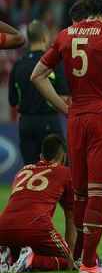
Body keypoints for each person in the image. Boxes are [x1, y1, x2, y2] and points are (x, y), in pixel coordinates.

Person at [30, 0, 102, 273]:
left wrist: (62, 107)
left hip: (76, 118)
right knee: (97, 191)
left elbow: (37, 76)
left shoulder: (65, 34)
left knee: (79, 192)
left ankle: (81, 258)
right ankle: (90, 263)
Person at [0, 135, 76, 273]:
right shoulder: (66, 173)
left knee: (21, 250)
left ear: (41, 156)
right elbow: (71, 217)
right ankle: (32, 260)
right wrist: (71, 255)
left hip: (3, 227)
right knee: (67, 262)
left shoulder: (22, 171)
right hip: (35, 225)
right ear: (64, 158)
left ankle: (8, 256)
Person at [9, 20, 70, 165]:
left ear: (29, 40)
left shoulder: (18, 64)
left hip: (25, 123)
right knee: (58, 168)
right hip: (48, 121)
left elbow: (13, 100)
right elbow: (64, 96)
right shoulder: (52, 61)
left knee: (30, 170)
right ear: (44, 37)